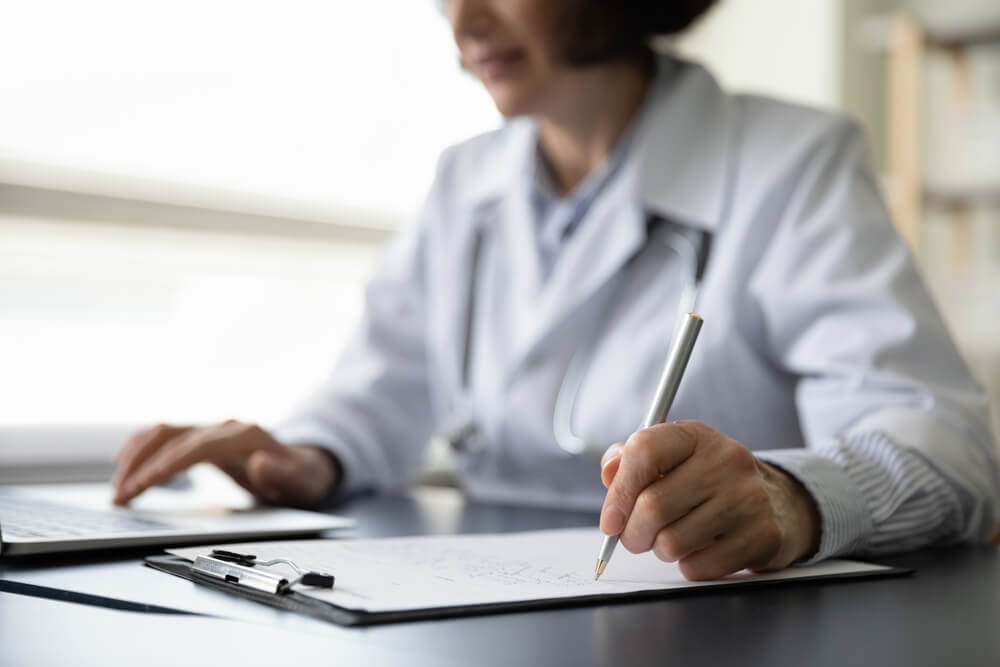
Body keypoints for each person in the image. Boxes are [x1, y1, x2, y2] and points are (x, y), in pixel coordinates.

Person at [112, 0, 1000, 580]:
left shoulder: (790, 163)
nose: (461, 22)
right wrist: (312, 455)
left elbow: (948, 450)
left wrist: (792, 495)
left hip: (709, 614)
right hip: (479, 605)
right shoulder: (465, 183)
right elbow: (377, 391)